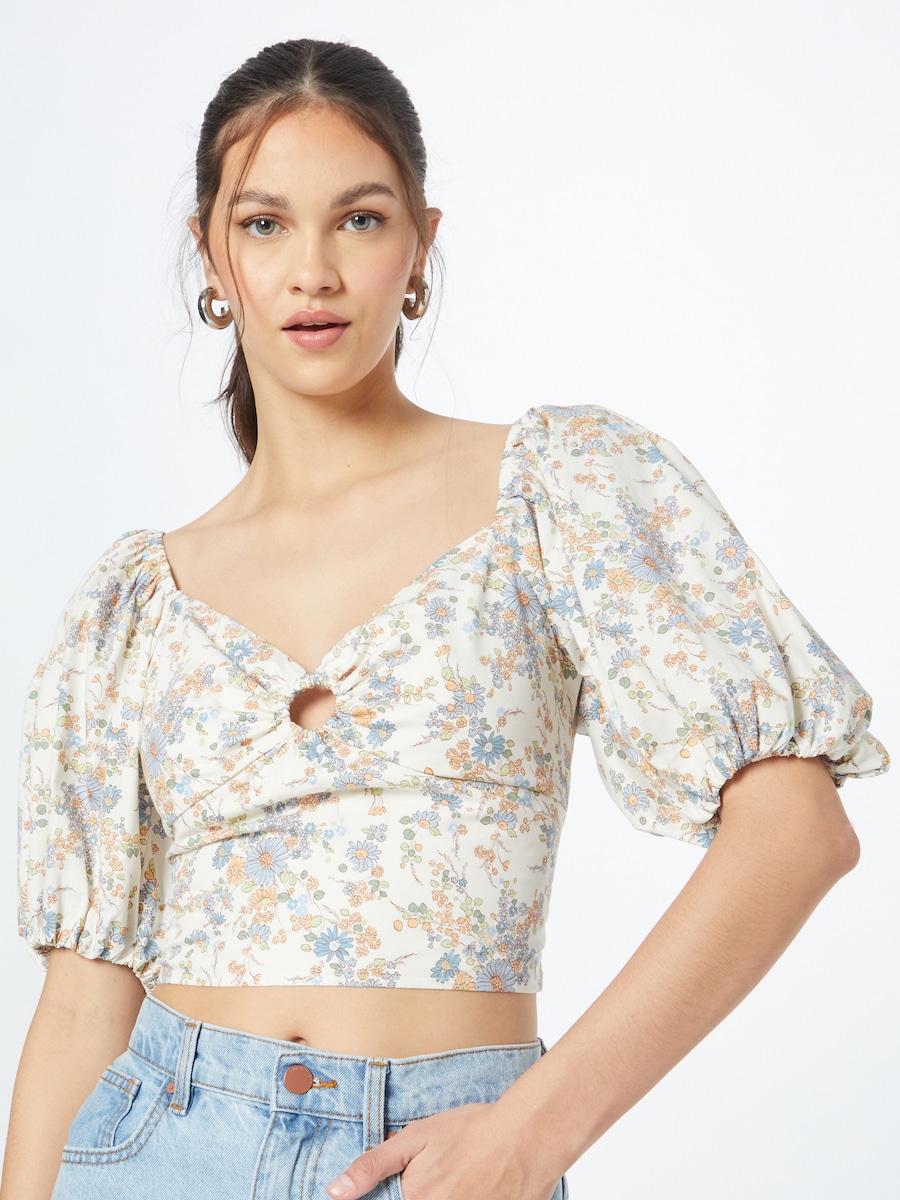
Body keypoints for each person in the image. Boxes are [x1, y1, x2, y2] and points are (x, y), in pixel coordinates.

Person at [2, 36, 889, 1200]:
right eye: (265, 225)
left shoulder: (556, 490)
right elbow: (80, 1010)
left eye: (359, 220)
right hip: (158, 1151)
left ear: (420, 246)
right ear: (212, 255)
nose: (313, 271)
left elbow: (797, 830)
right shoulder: (131, 606)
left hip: (447, 1157)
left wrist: (533, 1132)